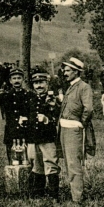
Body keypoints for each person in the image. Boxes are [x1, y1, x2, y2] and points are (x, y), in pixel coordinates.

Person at [58, 57, 93, 204]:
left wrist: (81, 123)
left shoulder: (84, 87)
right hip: (64, 129)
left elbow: (89, 109)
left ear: (76, 72)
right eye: (64, 70)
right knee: (68, 162)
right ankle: (74, 194)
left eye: (68, 70)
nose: (65, 73)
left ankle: (77, 199)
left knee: (74, 164)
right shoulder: (71, 86)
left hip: (74, 130)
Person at [26, 70, 60, 199]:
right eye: (36, 83)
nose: (39, 86)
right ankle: (38, 192)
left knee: (50, 163)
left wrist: (48, 119)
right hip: (33, 137)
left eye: (41, 83)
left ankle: (53, 194)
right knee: (36, 164)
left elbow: (59, 116)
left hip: (47, 137)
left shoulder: (53, 99)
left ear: (47, 83)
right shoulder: (31, 98)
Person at [0, 68, 30, 163]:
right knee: (12, 159)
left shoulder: (28, 95)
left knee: (26, 159)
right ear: (10, 80)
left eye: (19, 78)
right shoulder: (5, 96)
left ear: (23, 79)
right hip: (11, 131)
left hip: (25, 131)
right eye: (14, 78)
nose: (16, 80)